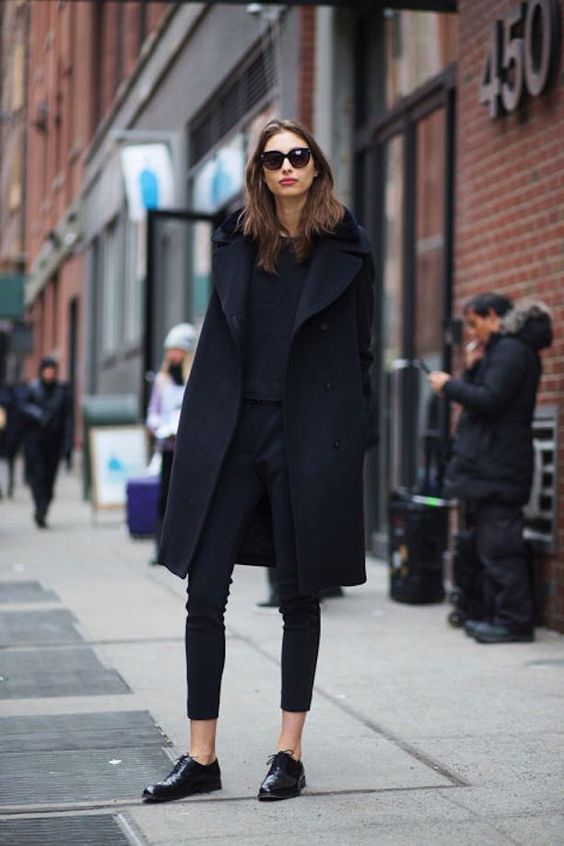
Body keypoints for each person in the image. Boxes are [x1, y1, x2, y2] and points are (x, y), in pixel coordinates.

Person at [143, 118, 376, 804]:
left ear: (315, 166)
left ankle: (288, 752)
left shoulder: (347, 248)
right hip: (233, 435)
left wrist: (351, 437)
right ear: (261, 171)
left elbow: (360, 354)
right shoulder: (238, 241)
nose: (286, 167)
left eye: (298, 156)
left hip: (307, 437)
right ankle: (201, 756)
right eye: (273, 158)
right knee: (202, 591)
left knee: (299, 597)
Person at [429, 293, 552, 644]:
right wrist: (471, 366)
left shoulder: (512, 351)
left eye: (473, 322)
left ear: (492, 316)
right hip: (490, 466)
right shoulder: (501, 351)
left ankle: (514, 621)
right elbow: (483, 392)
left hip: (500, 466)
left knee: (501, 546)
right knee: (488, 546)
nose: (472, 331)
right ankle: (494, 614)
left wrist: (449, 386)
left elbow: (490, 400)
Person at [146, 323, 197, 561]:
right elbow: (153, 413)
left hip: (188, 450)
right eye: (169, 350)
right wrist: (159, 427)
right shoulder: (162, 381)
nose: (171, 355)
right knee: (164, 499)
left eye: (175, 349)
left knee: (187, 500)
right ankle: (161, 549)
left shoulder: (194, 379)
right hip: (167, 447)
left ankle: (184, 549)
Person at [19, 357, 73, 528]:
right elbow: (23, 408)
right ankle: (39, 507)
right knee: (38, 476)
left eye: (52, 370)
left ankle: (44, 506)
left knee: (50, 479)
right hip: (35, 440)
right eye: (46, 370)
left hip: (54, 442)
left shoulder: (62, 391)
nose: (49, 374)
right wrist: (38, 415)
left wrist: (67, 445)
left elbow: (67, 419)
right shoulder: (33, 389)